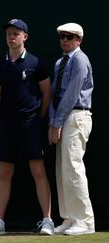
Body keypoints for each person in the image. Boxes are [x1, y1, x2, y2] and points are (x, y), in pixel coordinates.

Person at [0, 19, 54, 235]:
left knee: (38, 170)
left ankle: (48, 220)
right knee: (4, 172)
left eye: (16, 33)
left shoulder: (36, 63)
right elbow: (0, 94)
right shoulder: (0, 66)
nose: (11, 37)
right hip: (7, 126)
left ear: (25, 37)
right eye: (9, 34)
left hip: (30, 125)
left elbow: (46, 94)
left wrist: (36, 117)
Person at [48, 23, 94, 235]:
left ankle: (85, 222)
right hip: (62, 117)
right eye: (62, 36)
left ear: (79, 40)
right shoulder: (60, 63)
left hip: (76, 115)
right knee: (62, 169)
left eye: (70, 37)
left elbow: (72, 94)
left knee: (74, 167)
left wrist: (57, 122)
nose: (65, 40)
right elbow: (54, 94)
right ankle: (68, 218)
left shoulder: (80, 60)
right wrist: (53, 121)